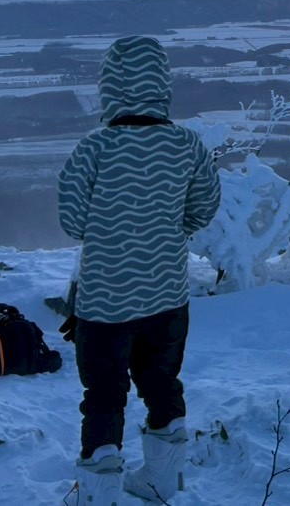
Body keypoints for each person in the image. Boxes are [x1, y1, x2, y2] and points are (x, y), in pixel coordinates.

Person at [58, 36, 221, 505]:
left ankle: (99, 494)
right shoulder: (187, 145)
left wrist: (112, 233)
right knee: (162, 384)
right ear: (160, 86)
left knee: (106, 395)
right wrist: (167, 234)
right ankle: (161, 481)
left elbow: (72, 222)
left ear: (109, 87)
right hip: (168, 297)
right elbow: (204, 207)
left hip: (105, 303)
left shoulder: (93, 148)